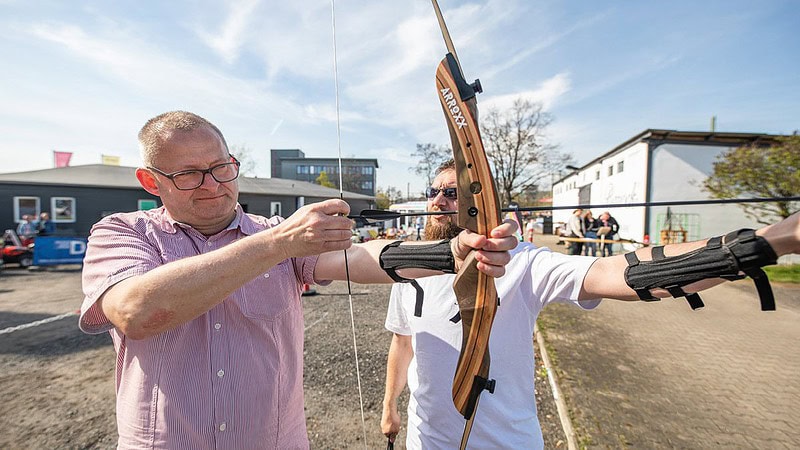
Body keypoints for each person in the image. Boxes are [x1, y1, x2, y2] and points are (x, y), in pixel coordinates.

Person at [78, 111, 518, 449]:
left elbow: (358, 257)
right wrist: (278, 242)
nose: (212, 184)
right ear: (150, 181)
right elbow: (137, 311)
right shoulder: (123, 233)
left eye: (221, 167)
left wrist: (454, 251)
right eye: (189, 174)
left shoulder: (277, 235)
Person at [380, 159, 800, 449]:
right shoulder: (411, 265)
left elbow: (617, 274)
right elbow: (403, 344)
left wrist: (760, 244)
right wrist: (390, 407)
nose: (437, 201)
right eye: (434, 191)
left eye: (451, 193)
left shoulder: (522, 261)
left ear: (483, 202)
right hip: (425, 440)